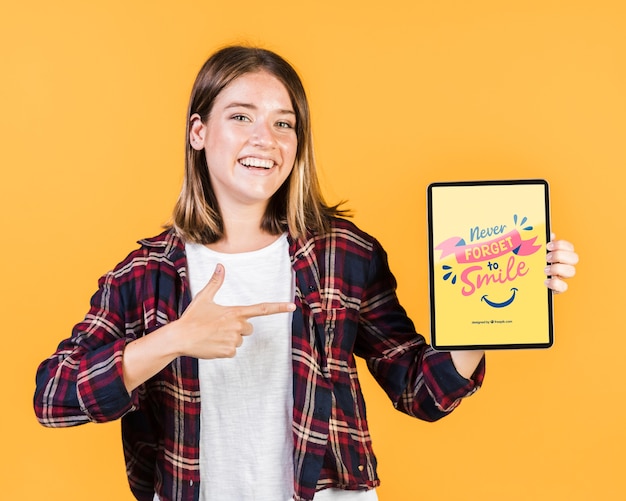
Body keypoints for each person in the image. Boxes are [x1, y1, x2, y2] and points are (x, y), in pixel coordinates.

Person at [33, 46, 579, 501]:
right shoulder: (145, 275)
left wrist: (501, 302)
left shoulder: (344, 254)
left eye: (283, 123)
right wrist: (174, 340)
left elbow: (420, 390)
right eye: (240, 116)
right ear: (199, 132)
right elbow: (53, 398)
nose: (264, 138)